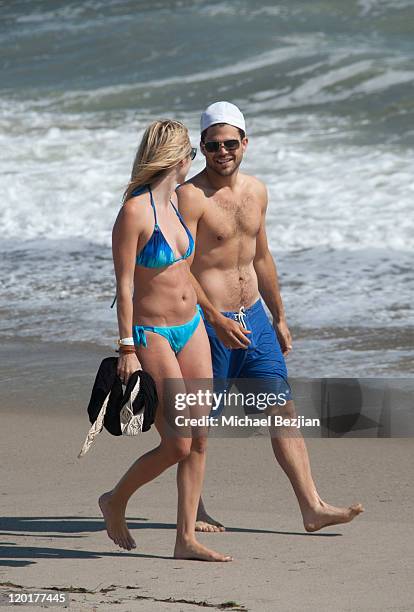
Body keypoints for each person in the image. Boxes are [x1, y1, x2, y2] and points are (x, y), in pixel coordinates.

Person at [177, 101, 364, 533]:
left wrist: (279, 315)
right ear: (202, 148)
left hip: (255, 320)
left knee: (282, 410)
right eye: (212, 145)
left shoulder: (257, 191)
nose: (222, 152)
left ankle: (311, 506)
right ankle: (195, 510)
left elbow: (261, 256)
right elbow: (180, 267)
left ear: (245, 142)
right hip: (209, 324)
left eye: (229, 143)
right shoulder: (190, 197)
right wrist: (215, 318)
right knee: (197, 423)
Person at [98, 119, 232, 561]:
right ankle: (116, 499)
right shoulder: (135, 212)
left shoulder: (179, 203)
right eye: (192, 153)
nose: (192, 161)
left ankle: (185, 539)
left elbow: (191, 268)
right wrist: (127, 349)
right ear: (177, 159)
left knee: (201, 437)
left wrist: (215, 317)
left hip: (190, 327)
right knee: (176, 443)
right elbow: (123, 288)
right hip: (151, 334)